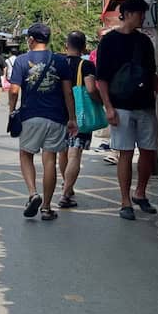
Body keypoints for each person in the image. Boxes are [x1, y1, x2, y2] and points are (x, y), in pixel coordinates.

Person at [95, 0, 158, 220]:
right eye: (141, 13)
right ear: (129, 13)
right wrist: (108, 108)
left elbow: (151, 75)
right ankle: (125, 201)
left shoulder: (144, 42)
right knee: (125, 153)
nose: (143, 18)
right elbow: (101, 78)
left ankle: (140, 193)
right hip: (120, 106)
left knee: (148, 152)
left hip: (145, 105)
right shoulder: (109, 41)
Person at [8, 22, 78, 220]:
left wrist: (12, 111)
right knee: (50, 161)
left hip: (30, 116)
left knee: (25, 154)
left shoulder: (21, 61)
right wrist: (72, 118)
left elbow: (13, 91)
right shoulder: (60, 61)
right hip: (56, 117)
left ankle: (32, 193)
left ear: (31, 39)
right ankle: (46, 208)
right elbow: (68, 93)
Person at [57, 31, 97, 209]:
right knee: (75, 154)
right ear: (83, 47)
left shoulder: (58, 63)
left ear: (66, 45)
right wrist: (101, 102)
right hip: (79, 115)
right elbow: (90, 89)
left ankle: (67, 186)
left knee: (63, 152)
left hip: (59, 114)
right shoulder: (86, 65)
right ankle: (66, 194)